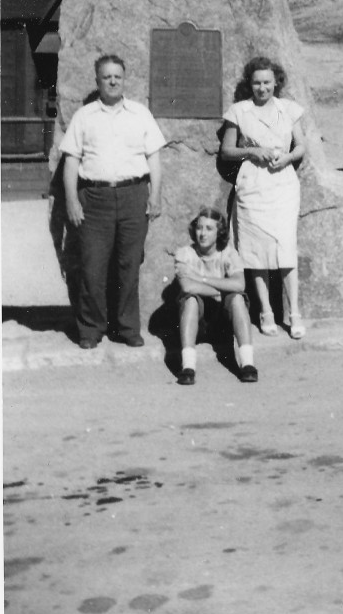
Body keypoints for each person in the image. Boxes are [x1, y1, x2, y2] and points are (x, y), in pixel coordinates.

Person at [61, 54, 165, 349]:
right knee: (93, 267)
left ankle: (127, 327)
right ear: (97, 81)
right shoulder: (84, 117)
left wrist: (155, 195)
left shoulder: (140, 114)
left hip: (133, 196)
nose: (112, 81)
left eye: (117, 76)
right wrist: (71, 200)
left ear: (124, 78)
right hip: (94, 198)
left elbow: (154, 158)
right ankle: (91, 329)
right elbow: (71, 160)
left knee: (128, 266)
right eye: (106, 77)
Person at [220, 55, 307, 339]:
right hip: (253, 183)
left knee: (285, 246)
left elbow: (301, 145)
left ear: (276, 82)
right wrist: (252, 152)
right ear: (250, 84)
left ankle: (294, 312)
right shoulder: (239, 111)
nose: (262, 88)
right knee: (255, 250)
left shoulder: (288, 109)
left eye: (267, 82)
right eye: (257, 83)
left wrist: (287, 159)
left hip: (282, 183)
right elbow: (227, 151)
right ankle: (266, 310)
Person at [173, 206, 256, 385]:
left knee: (237, 298)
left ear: (219, 232)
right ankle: (188, 367)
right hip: (199, 321)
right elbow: (187, 286)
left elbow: (240, 284)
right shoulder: (185, 254)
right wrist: (221, 289)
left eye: (209, 229)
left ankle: (247, 364)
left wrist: (201, 278)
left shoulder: (228, 253)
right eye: (199, 228)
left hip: (224, 321)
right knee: (190, 301)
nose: (202, 234)